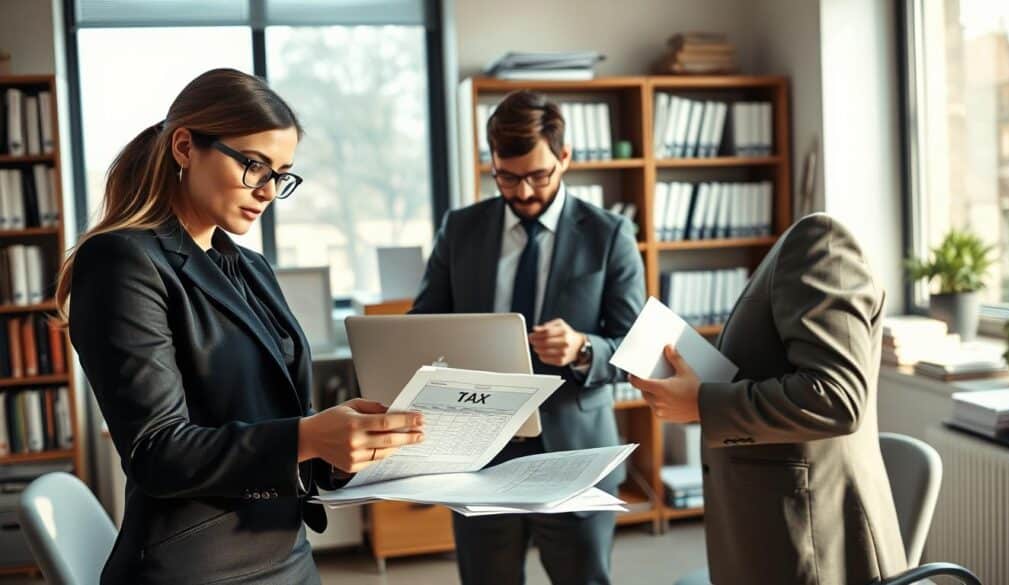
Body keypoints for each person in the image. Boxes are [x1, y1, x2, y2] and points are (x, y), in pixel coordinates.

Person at [58, 68, 424, 585]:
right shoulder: (122, 260)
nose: (269, 190)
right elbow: (158, 453)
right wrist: (309, 435)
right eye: (255, 166)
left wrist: (346, 449)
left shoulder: (250, 267)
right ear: (185, 147)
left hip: (286, 551)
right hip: (199, 566)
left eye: (281, 173)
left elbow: (273, 419)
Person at [411, 90, 646, 585]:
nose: (522, 191)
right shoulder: (461, 229)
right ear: (492, 163)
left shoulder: (610, 234)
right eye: (507, 176)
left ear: (565, 158)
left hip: (574, 454)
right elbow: (422, 324)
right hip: (478, 454)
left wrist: (584, 348)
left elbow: (631, 348)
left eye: (538, 175)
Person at [629, 213, 908, 585]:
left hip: (811, 536)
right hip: (770, 525)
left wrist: (702, 402)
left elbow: (836, 397)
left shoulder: (820, 242)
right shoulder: (791, 249)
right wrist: (698, 389)